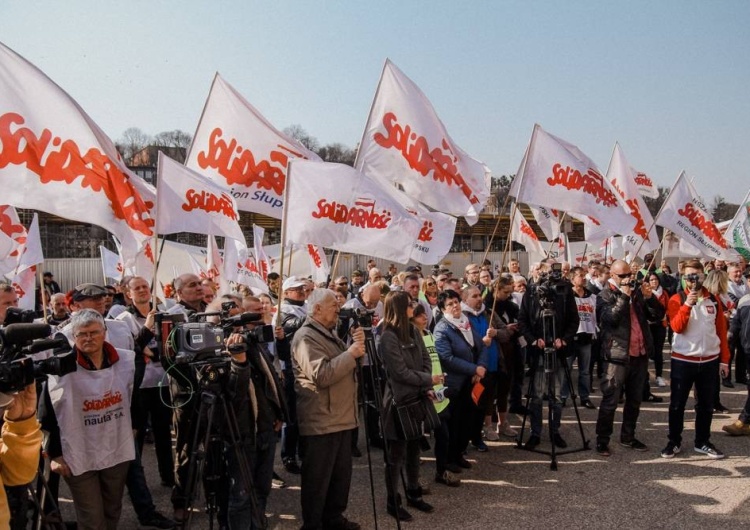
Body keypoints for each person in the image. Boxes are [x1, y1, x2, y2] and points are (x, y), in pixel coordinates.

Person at [41, 309, 136, 529]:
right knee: (92, 517)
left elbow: (136, 398)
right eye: (82, 334)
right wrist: (54, 454)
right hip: (77, 452)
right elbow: (46, 414)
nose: (89, 338)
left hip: (116, 448)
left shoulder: (125, 362)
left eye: (94, 332)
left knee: (112, 510)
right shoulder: (59, 368)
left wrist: (136, 428)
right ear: (74, 337)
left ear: (105, 333)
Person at [292, 289, 364, 530]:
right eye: (333, 305)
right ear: (317, 309)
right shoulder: (306, 337)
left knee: (339, 477)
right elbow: (321, 375)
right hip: (321, 419)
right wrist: (352, 353)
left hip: (340, 416)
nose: (338, 309)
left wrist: (356, 348)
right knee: (318, 480)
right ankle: (313, 525)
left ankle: (333, 519)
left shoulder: (328, 333)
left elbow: (344, 363)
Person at [226, 296, 288, 530]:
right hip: (241, 433)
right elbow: (234, 394)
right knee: (241, 495)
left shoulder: (253, 342)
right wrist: (238, 362)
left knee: (262, 489)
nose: (247, 323)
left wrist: (279, 413)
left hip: (266, 428)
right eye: (240, 317)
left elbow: (271, 379)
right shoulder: (223, 348)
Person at [595, 260, 664, 456]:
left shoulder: (638, 292)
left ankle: (628, 436)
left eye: (629, 275)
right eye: (623, 276)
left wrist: (650, 298)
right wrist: (624, 297)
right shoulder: (605, 295)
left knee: (635, 400)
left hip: (639, 354)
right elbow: (610, 319)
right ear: (613, 276)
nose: (628, 279)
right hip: (616, 355)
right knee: (610, 400)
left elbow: (657, 315)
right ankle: (602, 440)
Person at [661, 259, 729, 459]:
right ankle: (674, 441)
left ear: (703, 276)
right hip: (683, 360)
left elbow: (721, 332)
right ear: (683, 278)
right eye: (689, 276)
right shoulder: (676, 299)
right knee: (677, 404)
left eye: (697, 276)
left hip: (709, 360)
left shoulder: (714, 300)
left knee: (706, 405)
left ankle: (702, 441)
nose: (693, 280)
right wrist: (688, 304)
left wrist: (724, 360)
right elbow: (676, 327)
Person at [378, 291, 437, 521]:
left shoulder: (413, 330)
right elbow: (399, 373)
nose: (414, 306)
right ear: (400, 307)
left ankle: (414, 492)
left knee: (414, 449)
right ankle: (393, 501)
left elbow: (426, 359)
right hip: (398, 403)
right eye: (410, 304)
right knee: (396, 455)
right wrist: (427, 380)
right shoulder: (388, 337)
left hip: (417, 398)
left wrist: (425, 381)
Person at [518, 268, 579, 449]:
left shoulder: (565, 290)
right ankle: (535, 433)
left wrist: (564, 339)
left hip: (559, 351)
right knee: (536, 396)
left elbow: (574, 320)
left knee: (557, 396)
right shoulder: (531, 291)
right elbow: (522, 320)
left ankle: (555, 432)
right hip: (538, 351)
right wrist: (533, 340)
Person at [433, 289, 488, 470]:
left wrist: (479, 369)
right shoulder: (442, 328)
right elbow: (447, 359)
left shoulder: (466, 322)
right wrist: (473, 368)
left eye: (456, 302)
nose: (454, 306)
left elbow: (480, 346)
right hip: (454, 383)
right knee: (454, 422)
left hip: (471, 381)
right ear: (442, 309)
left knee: (467, 420)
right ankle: (449, 459)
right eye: (449, 304)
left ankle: (459, 453)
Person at [277, 276, 310, 475]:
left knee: (304, 413)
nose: (302, 292)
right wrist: (316, 313)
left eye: (303, 289)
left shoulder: (306, 307)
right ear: (287, 292)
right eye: (297, 289)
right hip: (291, 365)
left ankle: (302, 451)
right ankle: (287, 455)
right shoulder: (282, 311)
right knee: (291, 415)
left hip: (306, 364)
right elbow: (293, 325)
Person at [561, 267, 597, 409]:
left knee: (585, 371)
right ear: (572, 279)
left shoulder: (591, 296)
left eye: (584, 275)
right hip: (570, 338)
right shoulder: (567, 296)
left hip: (586, 339)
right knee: (566, 369)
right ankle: (563, 396)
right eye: (580, 276)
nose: (583, 278)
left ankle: (585, 397)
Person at [722, 269, 750, 436]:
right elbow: (737, 322)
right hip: (747, 350)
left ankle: (743, 421)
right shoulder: (745, 300)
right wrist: (730, 334)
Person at [647, 272, 670, 388]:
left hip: (660, 324)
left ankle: (659, 375)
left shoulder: (664, 293)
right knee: (647, 350)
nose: (654, 282)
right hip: (648, 325)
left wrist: (666, 315)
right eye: (651, 280)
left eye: (655, 279)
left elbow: (668, 307)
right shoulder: (646, 293)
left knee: (658, 351)